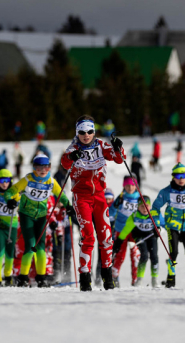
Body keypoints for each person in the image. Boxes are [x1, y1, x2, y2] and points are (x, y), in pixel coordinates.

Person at [61, 115, 125, 291]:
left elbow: (118, 159)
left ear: (94, 132)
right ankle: (85, 277)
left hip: (99, 196)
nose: (86, 135)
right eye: (82, 132)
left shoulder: (100, 145)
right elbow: (65, 163)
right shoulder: (73, 147)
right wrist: (72, 157)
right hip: (81, 198)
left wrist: (119, 148)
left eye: (89, 131)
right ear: (77, 133)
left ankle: (107, 276)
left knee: (106, 238)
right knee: (88, 236)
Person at [5, 153, 71, 288]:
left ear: (49, 167)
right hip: (26, 215)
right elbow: (10, 191)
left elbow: (61, 195)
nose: (42, 170)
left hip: (41, 216)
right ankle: (23, 277)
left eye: (45, 167)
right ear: (34, 168)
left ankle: (41, 278)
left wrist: (68, 206)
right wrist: (10, 200)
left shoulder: (51, 181)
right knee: (30, 245)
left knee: (41, 247)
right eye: (39, 167)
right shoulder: (28, 179)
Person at [152, 163, 185, 288]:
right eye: (178, 176)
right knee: (174, 252)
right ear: (173, 177)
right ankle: (171, 278)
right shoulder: (166, 191)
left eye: (183, 175)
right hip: (173, 226)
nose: (181, 179)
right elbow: (155, 208)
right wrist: (157, 224)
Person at [113, 196, 160, 287]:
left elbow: (163, 223)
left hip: (151, 236)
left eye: (147, 205)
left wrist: (158, 229)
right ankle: (139, 279)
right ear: (138, 207)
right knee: (144, 256)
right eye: (142, 206)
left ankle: (155, 279)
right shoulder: (134, 216)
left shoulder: (154, 214)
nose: (145, 208)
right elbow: (125, 231)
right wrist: (118, 242)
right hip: (140, 237)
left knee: (154, 256)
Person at [111, 176, 142, 287]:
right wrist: (115, 205)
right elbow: (111, 212)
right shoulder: (121, 197)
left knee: (135, 255)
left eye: (132, 185)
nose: (130, 187)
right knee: (119, 255)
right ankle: (114, 277)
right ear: (124, 186)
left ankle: (136, 280)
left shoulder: (139, 198)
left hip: (135, 231)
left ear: (136, 186)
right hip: (120, 230)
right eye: (127, 185)